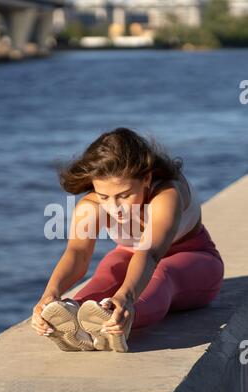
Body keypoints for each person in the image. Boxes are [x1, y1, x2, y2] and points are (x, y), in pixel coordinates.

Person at [31, 127, 224, 352]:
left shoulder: (166, 195)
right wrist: (50, 295)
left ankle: (116, 319)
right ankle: (75, 316)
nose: (114, 207)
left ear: (147, 178)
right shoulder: (91, 206)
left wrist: (126, 297)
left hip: (194, 262)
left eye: (124, 195)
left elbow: (149, 253)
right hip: (133, 257)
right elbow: (78, 253)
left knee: (163, 273)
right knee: (109, 268)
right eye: (104, 196)